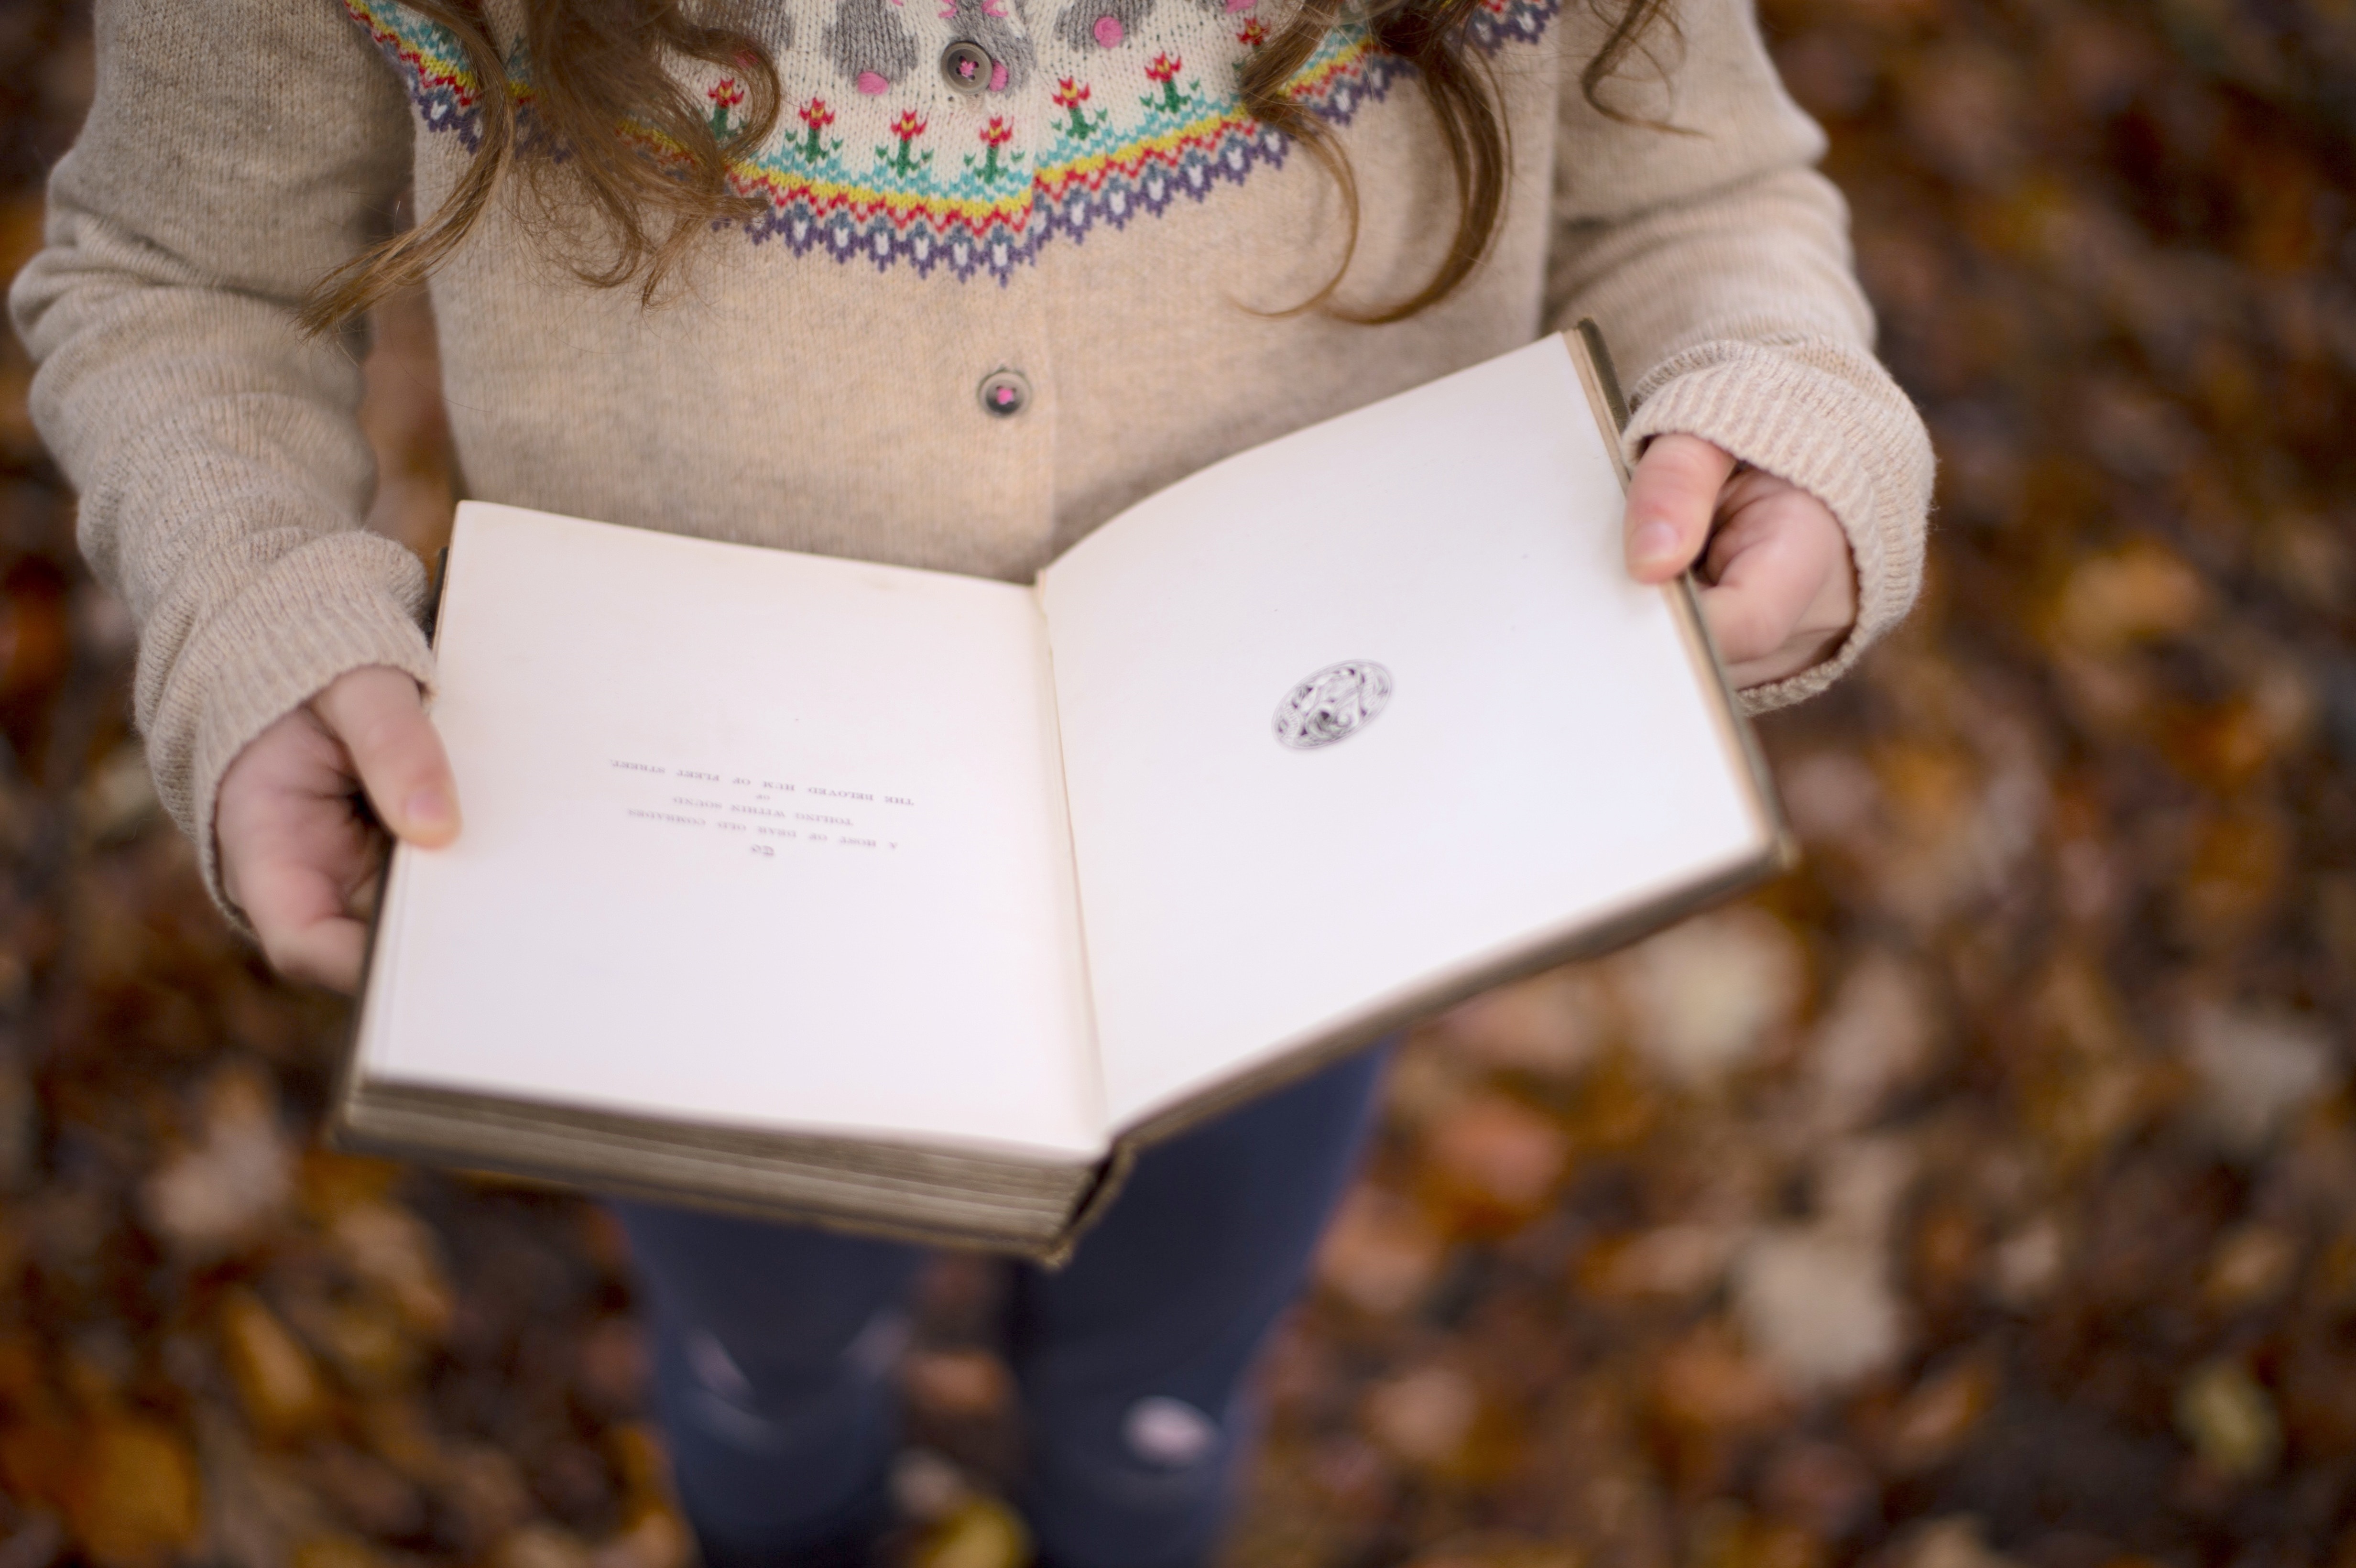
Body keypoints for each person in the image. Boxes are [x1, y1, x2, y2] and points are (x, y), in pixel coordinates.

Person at [11, 0, 1931, 1562]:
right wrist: (254, 604)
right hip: (698, 901)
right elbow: (179, 268)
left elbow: (1697, 184)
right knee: (760, 1362)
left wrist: (1774, 390)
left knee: (1164, 1391)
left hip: (1295, 875)